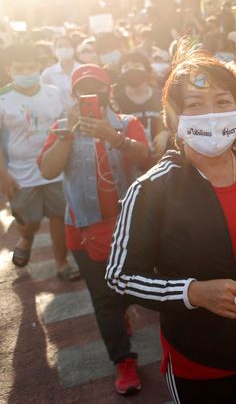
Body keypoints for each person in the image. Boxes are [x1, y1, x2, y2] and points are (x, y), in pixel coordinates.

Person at [105, 54, 236, 402]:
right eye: (195, 105)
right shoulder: (151, 190)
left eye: (223, 102)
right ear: (174, 119)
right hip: (198, 362)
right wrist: (192, 292)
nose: (211, 115)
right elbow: (121, 276)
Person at [38, 64, 150, 395]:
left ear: (108, 91)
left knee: (135, 287)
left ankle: (123, 309)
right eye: (83, 90)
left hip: (128, 225)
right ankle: (124, 362)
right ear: (74, 96)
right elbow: (47, 169)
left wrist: (113, 137)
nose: (91, 96)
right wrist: (68, 133)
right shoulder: (61, 128)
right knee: (103, 299)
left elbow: (145, 156)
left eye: (97, 89)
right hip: (83, 230)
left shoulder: (127, 124)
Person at [1, 44, 77, 280]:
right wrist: (3, 174)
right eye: (20, 68)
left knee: (59, 216)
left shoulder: (53, 92)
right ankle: (26, 238)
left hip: (55, 168)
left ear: (39, 67)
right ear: (8, 69)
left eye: (31, 67)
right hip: (20, 173)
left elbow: (67, 124)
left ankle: (62, 264)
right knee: (29, 220)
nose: (26, 72)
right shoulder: (3, 98)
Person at [114, 52, 168, 162]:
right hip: (131, 165)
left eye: (137, 66)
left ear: (148, 72)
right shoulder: (115, 102)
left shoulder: (163, 97)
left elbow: (179, 123)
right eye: (126, 67)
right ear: (120, 74)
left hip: (165, 162)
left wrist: (167, 133)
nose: (132, 70)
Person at [41, 35, 78, 107]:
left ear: (73, 48)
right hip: (58, 116)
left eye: (67, 46)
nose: (64, 49)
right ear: (54, 51)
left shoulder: (83, 69)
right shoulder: (48, 73)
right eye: (60, 46)